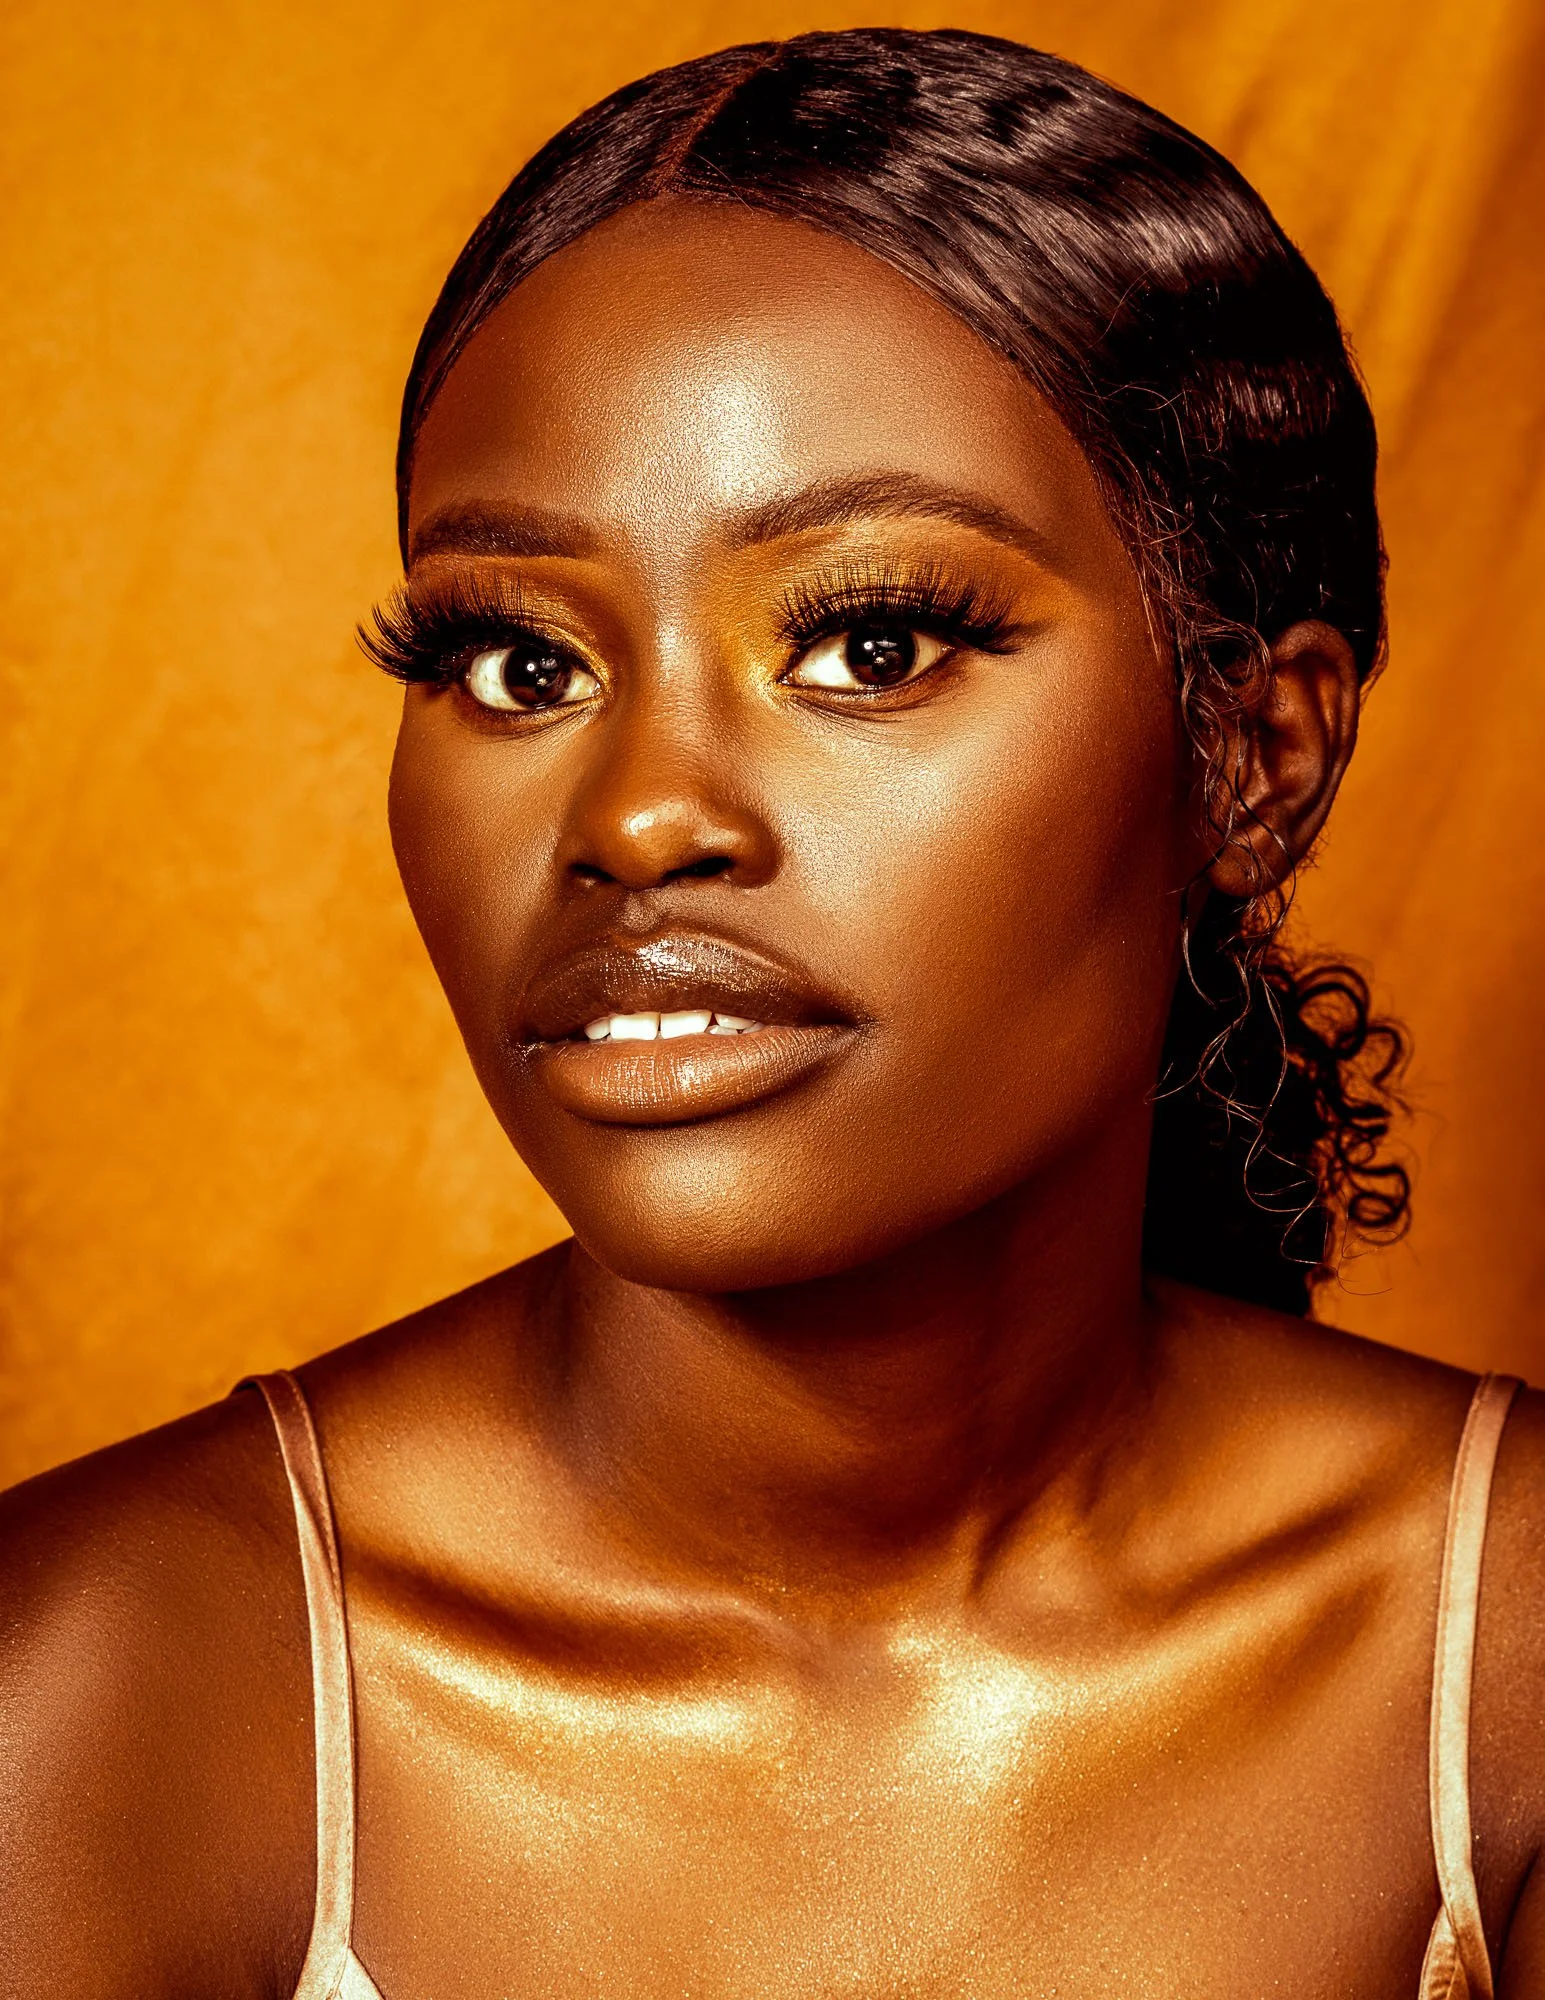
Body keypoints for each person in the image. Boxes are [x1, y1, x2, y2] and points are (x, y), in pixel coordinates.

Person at [2, 28, 1541, 1998]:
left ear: (1252, 757)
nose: (640, 817)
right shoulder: (107, 1695)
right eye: (517, 664)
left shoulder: (1497, 1664)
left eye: (869, 642)